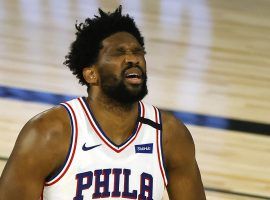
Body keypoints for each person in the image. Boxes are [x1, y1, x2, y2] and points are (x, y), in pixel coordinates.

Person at [0, 6, 206, 200]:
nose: (132, 58)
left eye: (137, 51)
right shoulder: (49, 133)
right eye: (118, 52)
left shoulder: (170, 135)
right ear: (91, 74)